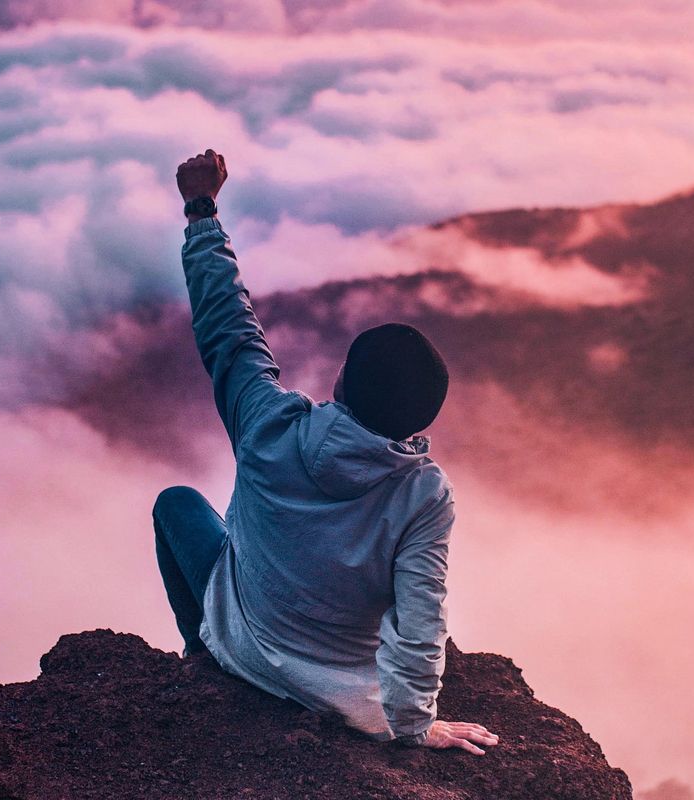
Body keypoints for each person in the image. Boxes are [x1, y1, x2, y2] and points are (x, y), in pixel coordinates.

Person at [152, 148, 498, 755]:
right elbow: (422, 620)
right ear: (421, 419)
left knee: (177, 504)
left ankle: (201, 651)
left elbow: (229, 330)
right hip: (342, 694)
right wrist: (414, 725)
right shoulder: (424, 494)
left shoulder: (267, 422)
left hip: (244, 647)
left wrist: (201, 212)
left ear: (342, 383)